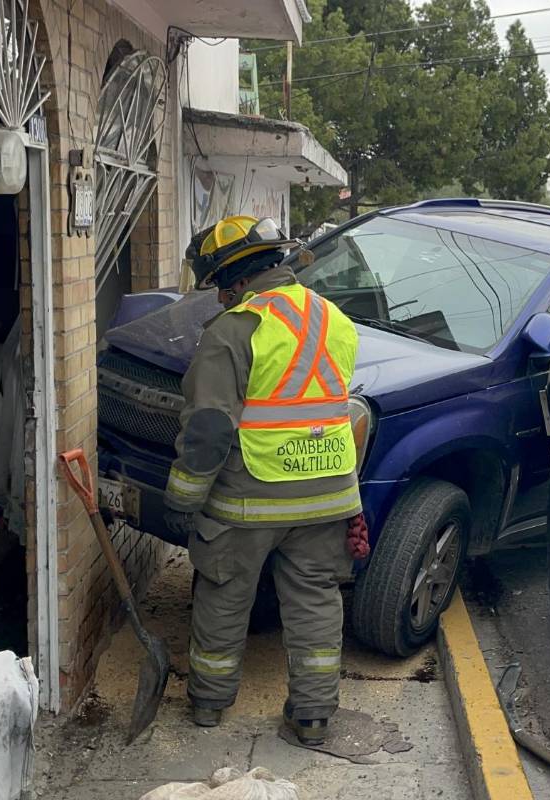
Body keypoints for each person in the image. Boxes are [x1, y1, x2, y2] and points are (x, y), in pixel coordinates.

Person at [163, 215, 369, 744]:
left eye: (218, 288)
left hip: (248, 500)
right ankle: (314, 718)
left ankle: (209, 704)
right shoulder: (335, 320)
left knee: (225, 594)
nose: (219, 299)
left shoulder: (233, 330)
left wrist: (182, 496)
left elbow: (208, 428)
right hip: (328, 493)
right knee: (316, 602)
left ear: (233, 280)